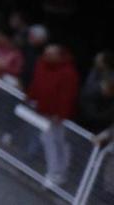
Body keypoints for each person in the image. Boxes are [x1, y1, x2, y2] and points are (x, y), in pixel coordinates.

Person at [27, 40, 81, 186]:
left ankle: (57, 172)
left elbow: (67, 95)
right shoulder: (43, 64)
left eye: (50, 54)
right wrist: (31, 97)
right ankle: (55, 171)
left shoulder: (68, 73)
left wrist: (61, 114)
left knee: (57, 142)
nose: (46, 56)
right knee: (49, 140)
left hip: (56, 116)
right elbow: (37, 82)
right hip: (45, 110)